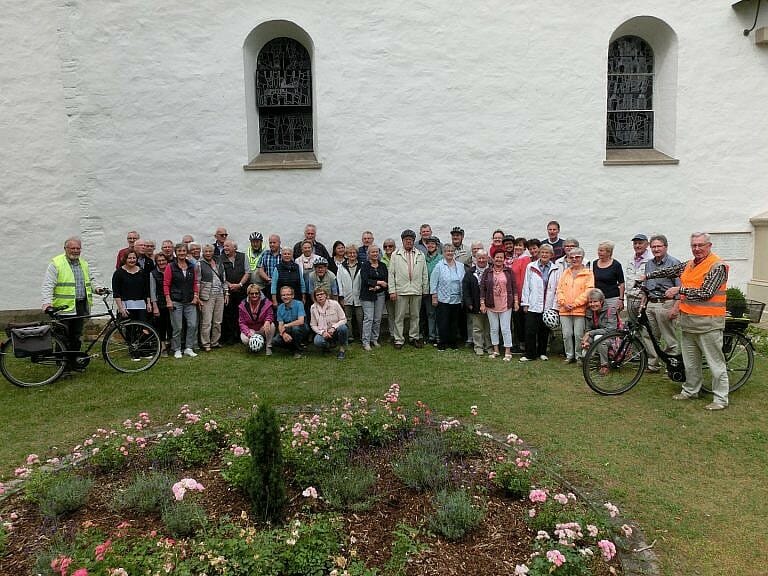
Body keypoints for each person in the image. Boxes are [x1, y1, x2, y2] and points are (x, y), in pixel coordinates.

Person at [645, 232, 730, 410]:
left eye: (700, 245)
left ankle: (720, 399)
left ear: (709, 246)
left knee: (716, 363)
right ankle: (691, 390)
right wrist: (647, 276)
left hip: (709, 323)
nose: (697, 249)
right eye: (694, 245)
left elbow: (706, 293)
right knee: (691, 363)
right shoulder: (690, 264)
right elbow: (670, 270)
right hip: (689, 322)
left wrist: (678, 290)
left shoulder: (717, 266)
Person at [41, 237, 102, 365]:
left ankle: (73, 361)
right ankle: (62, 365)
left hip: (80, 306)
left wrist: (97, 289)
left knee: (76, 336)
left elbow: (90, 280)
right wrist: (47, 302)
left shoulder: (83, 263)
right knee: (62, 337)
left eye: (78, 248)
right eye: (72, 248)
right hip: (63, 308)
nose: (75, 251)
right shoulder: (56, 263)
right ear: (65, 249)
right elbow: (48, 285)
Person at [643, 234, 682, 370]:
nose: (656, 249)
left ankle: (672, 365)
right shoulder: (649, 264)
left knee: (669, 337)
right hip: (651, 303)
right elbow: (646, 286)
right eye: (653, 246)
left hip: (666, 304)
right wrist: (644, 304)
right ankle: (653, 364)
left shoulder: (674, 263)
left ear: (665, 247)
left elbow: (680, 288)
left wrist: (675, 308)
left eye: (659, 246)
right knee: (649, 335)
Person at [388, 229, 429, 349]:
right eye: (406, 240)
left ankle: (414, 337)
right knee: (399, 316)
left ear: (413, 241)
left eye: (411, 240)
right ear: (402, 241)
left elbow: (424, 273)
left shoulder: (420, 254)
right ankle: (399, 339)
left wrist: (425, 289)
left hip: (416, 290)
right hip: (401, 290)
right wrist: (392, 291)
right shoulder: (396, 254)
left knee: (415, 316)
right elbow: (391, 274)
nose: (409, 242)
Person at [520, 243, 560, 362]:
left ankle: (542, 352)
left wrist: (554, 306)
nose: (544, 254)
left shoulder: (556, 269)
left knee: (544, 331)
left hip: (548, 305)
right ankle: (530, 354)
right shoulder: (531, 267)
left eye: (547, 252)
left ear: (551, 255)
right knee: (530, 330)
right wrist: (525, 303)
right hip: (533, 304)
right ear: (539, 254)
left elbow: (558, 288)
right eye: (542, 252)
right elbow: (526, 285)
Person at [556, 246, 594, 364]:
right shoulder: (565, 273)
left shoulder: (588, 273)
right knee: (567, 334)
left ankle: (578, 357)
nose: (574, 259)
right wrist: (564, 302)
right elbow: (559, 289)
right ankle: (569, 355)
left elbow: (589, 290)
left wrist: (576, 303)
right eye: (571, 257)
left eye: (577, 257)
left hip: (580, 309)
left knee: (578, 335)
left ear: (582, 258)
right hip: (564, 309)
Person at [163, 243, 200, 358]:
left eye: (184, 251)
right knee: (177, 327)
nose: (182, 253)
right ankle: (177, 349)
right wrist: (168, 300)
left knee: (192, 324)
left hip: (190, 300)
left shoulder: (191, 266)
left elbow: (195, 282)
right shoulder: (171, 267)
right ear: (176, 252)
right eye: (179, 251)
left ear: (186, 252)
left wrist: (195, 296)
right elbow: (166, 284)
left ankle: (188, 348)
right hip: (176, 300)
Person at [480, 251, 517, 360]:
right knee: (494, 328)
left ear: (504, 259)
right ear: (493, 258)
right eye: (497, 257)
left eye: (501, 257)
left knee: (505, 328)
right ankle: (496, 350)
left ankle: (507, 351)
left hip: (506, 304)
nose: (499, 259)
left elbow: (514, 287)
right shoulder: (487, 272)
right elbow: (482, 288)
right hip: (491, 304)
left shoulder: (509, 272)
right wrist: (482, 303)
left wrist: (515, 302)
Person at [430, 244, 465, 350]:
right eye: (447, 251)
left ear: (454, 252)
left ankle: (453, 342)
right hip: (443, 298)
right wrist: (434, 296)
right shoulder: (439, 266)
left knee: (454, 322)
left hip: (457, 299)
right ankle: (442, 343)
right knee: (443, 322)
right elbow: (433, 281)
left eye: (451, 251)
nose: (449, 253)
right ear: (443, 253)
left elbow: (462, 280)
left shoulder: (460, 266)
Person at [580, 288, 620, 375]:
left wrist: (590, 333)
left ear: (601, 301)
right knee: (585, 348)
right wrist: (586, 341)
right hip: (596, 336)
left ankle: (604, 366)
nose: (592, 304)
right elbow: (588, 329)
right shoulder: (589, 311)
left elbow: (611, 330)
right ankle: (589, 360)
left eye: (595, 301)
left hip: (611, 337)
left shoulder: (610, 310)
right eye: (590, 302)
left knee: (600, 340)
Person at [198, 244, 227, 351]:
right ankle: (205, 343)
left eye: (210, 251)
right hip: (207, 295)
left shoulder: (219, 262)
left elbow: (223, 278)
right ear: (203, 252)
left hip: (219, 294)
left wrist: (226, 292)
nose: (208, 253)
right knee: (206, 321)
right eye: (206, 251)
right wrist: (198, 297)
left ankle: (215, 341)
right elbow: (197, 281)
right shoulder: (199, 264)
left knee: (218, 321)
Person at [359, 245, 388, 350]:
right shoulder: (365, 265)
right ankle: (365, 341)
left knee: (377, 319)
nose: (375, 254)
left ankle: (374, 339)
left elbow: (386, 281)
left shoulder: (383, 266)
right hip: (367, 295)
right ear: (368, 254)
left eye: (376, 252)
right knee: (368, 318)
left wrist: (377, 286)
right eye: (372, 252)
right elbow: (365, 279)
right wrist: (378, 282)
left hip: (380, 295)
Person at [221, 239, 249, 345]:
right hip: (228, 291)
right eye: (224, 246)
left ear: (235, 248)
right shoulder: (220, 259)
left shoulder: (243, 256)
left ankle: (241, 335)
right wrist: (229, 285)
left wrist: (239, 285)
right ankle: (230, 337)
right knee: (229, 314)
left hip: (241, 290)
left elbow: (247, 272)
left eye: (228, 246)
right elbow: (221, 275)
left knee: (242, 313)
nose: (225, 248)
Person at [463, 249, 491, 355]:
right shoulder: (470, 272)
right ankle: (478, 346)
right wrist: (469, 303)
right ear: (476, 259)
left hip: (490, 305)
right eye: (479, 258)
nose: (482, 260)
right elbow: (466, 289)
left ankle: (489, 346)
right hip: (475, 304)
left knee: (489, 328)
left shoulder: (492, 271)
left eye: (484, 257)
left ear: (487, 258)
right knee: (477, 327)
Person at [112, 249, 151, 323]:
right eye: (129, 258)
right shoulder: (118, 273)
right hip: (126, 306)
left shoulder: (142, 272)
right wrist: (121, 308)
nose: (132, 260)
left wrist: (148, 303)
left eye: (134, 258)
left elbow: (147, 289)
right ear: (125, 259)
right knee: (129, 330)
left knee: (142, 329)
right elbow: (116, 293)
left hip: (141, 305)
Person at [310, 287, 349, 359]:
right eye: (317, 295)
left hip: (335, 330)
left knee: (343, 328)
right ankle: (327, 346)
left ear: (326, 295)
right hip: (324, 331)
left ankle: (342, 350)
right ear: (315, 297)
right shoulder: (313, 308)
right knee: (317, 341)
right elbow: (313, 325)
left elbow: (344, 319)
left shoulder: (335, 304)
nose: (320, 296)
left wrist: (334, 327)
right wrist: (322, 332)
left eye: (322, 294)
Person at [238, 284, 275, 355]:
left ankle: (268, 346)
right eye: (252, 293)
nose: (254, 295)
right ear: (248, 294)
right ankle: (252, 346)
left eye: (256, 293)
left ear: (260, 293)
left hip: (262, 328)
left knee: (272, 325)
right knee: (245, 340)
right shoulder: (243, 305)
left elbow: (270, 315)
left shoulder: (266, 303)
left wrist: (267, 321)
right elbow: (242, 323)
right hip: (250, 329)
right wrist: (248, 333)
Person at [337, 244, 363, 341]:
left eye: (354, 253)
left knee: (360, 318)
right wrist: (341, 296)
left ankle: (362, 336)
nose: (352, 255)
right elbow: (339, 282)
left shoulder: (362, 265)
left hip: (359, 296)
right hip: (346, 296)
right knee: (348, 318)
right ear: (346, 254)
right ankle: (350, 336)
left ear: (357, 254)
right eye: (350, 253)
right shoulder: (341, 267)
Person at [273, 286, 307, 358]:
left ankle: (299, 351)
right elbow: (280, 324)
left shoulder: (299, 304)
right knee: (275, 341)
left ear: (292, 296)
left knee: (295, 329)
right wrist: (283, 334)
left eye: (288, 294)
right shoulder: (280, 307)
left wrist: (286, 325)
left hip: (301, 328)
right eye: (283, 295)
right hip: (288, 330)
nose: (285, 297)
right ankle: (294, 347)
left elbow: (301, 321)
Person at [592, 241, 625, 313]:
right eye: (598, 250)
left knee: (611, 320)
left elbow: (621, 283)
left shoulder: (616, 265)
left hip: (612, 298)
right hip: (598, 298)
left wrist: (621, 299)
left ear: (609, 252)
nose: (599, 252)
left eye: (601, 251)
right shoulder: (595, 263)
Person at [149, 252, 172, 356]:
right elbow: (152, 291)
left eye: (163, 260)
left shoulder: (172, 270)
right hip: (160, 303)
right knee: (161, 326)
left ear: (167, 261)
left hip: (172, 301)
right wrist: (155, 306)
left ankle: (171, 345)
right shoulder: (153, 273)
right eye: (159, 261)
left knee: (171, 325)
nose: (161, 262)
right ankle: (162, 347)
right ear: (156, 262)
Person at [624, 233, 652, 316]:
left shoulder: (651, 260)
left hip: (643, 299)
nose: (637, 246)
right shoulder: (630, 259)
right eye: (635, 243)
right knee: (633, 325)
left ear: (647, 244)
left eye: (640, 243)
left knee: (644, 326)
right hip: (630, 297)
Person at [422, 236, 443, 344]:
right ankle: (431, 336)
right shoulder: (423, 258)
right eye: (428, 244)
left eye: (433, 244)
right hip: (427, 290)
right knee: (430, 314)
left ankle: (439, 336)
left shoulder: (441, 259)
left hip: (439, 291)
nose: (430, 246)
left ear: (437, 246)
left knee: (438, 314)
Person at [259, 234, 282, 300]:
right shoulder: (265, 254)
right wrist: (268, 279)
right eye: (270, 243)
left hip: (282, 286)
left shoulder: (284, 254)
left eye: (274, 242)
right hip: (269, 285)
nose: (272, 244)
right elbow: (260, 269)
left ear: (279, 243)